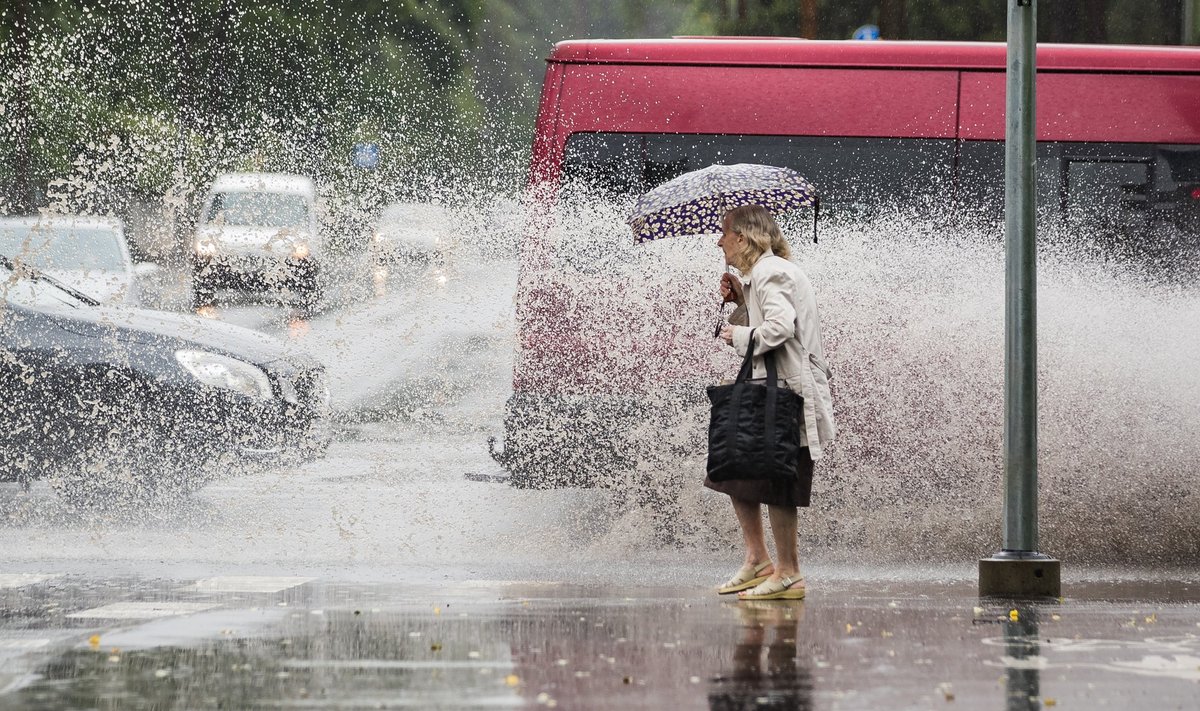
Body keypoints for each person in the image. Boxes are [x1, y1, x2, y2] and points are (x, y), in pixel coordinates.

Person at [707, 204, 835, 601]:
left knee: (779, 480)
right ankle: (758, 560)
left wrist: (736, 336)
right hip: (769, 390)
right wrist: (741, 300)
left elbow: (779, 328)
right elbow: (767, 319)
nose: (720, 241)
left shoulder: (771, 271)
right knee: (734, 468)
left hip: (787, 395)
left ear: (743, 238)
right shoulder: (761, 276)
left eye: (724, 233)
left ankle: (789, 572)